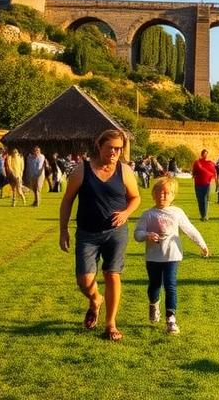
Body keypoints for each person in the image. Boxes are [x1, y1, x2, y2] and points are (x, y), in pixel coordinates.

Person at [59, 129, 141, 342]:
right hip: (87, 233)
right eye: (110, 147)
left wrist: (126, 213)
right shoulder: (82, 170)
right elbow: (67, 200)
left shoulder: (124, 171)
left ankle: (110, 323)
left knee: (112, 274)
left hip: (116, 232)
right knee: (85, 281)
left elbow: (135, 198)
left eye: (118, 148)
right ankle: (95, 299)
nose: (114, 152)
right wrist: (63, 230)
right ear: (99, 145)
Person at [133, 176, 210, 335]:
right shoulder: (148, 214)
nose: (163, 196)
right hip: (153, 257)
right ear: (153, 194)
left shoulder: (177, 212)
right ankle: (154, 304)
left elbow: (189, 229)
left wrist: (202, 244)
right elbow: (137, 234)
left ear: (173, 196)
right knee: (154, 285)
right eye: (159, 192)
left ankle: (171, 319)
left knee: (170, 285)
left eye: (167, 193)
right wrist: (146, 235)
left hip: (172, 256)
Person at [190, 149, 216, 221]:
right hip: (198, 183)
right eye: (204, 154)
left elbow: (214, 172)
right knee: (200, 200)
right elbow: (194, 171)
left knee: (205, 199)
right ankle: (202, 215)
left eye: (206, 154)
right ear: (202, 154)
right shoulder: (197, 162)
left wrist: (215, 180)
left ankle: (205, 215)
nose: (205, 155)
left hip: (207, 183)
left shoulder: (210, 163)